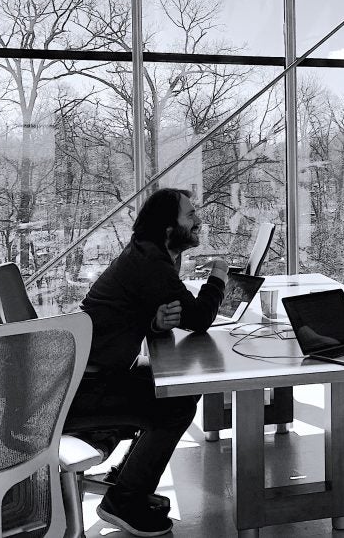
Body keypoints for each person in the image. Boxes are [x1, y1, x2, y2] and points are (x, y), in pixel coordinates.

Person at [72, 187, 228, 536]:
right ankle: (124, 500)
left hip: (87, 374)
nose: (199, 220)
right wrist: (219, 275)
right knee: (174, 404)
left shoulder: (148, 254)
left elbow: (148, 316)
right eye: (190, 215)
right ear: (167, 227)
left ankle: (125, 481)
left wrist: (155, 322)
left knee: (182, 389)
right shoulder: (150, 263)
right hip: (81, 388)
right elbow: (200, 318)